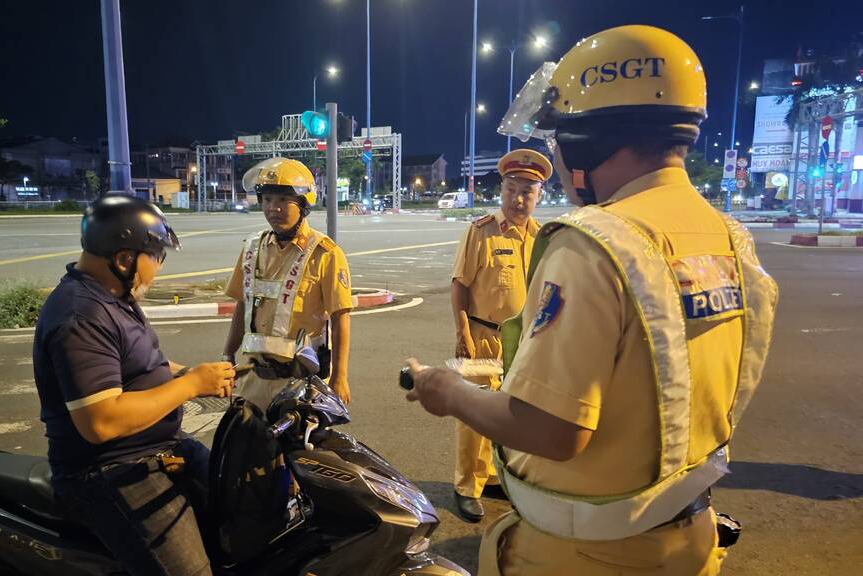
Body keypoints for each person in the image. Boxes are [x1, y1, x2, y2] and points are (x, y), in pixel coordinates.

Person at [406, 25, 778, 575]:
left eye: (561, 136)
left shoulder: (597, 245)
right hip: (688, 535)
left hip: (588, 554)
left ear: (589, 139)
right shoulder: (727, 236)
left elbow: (552, 429)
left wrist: (448, 391)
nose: (557, 152)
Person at [34, 194, 236, 576]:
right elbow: (101, 422)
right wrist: (192, 384)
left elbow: (140, 364)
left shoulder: (112, 295)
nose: (159, 267)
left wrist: (186, 373)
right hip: (111, 471)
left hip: (160, 449)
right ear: (125, 259)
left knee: (247, 511)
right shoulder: (81, 316)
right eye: (156, 256)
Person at [449, 149, 550, 522]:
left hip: (524, 343)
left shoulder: (543, 238)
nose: (518, 199)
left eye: (527, 191)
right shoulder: (481, 232)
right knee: (474, 415)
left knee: (511, 415)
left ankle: (492, 475)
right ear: (502, 190)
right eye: (511, 189)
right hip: (482, 335)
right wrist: (463, 332)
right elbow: (459, 285)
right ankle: (465, 486)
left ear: (539, 194)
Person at [223, 157, 353, 411]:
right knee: (241, 446)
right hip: (253, 379)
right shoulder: (252, 248)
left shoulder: (325, 253)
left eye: (284, 200)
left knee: (299, 450)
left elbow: (341, 317)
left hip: (301, 383)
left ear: (303, 205)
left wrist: (340, 376)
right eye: (268, 199)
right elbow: (242, 304)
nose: (274, 208)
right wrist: (227, 354)